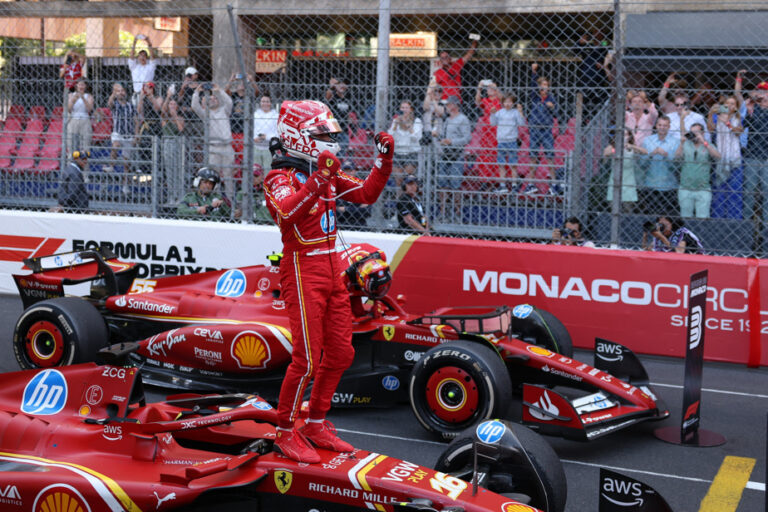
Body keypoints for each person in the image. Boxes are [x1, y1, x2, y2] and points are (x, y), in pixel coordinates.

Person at [262, 100, 394, 463]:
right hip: (302, 270)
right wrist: (320, 178)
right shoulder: (278, 177)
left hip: (333, 269)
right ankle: (285, 431)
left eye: (331, 133)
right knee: (305, 360)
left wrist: (383, 162)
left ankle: (316, 423)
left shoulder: (328, 172)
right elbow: (286, 214)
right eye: (323, 134)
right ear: (298, 137)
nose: (331, 140)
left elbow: (366, 194)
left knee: (340, 353)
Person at [192, 83, 235, 201]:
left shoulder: (224, 111)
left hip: (226, 147)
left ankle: (230, 201)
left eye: (215, 98)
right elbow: (195, 106)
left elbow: (229, 102)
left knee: (228, 176)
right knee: (213, 176)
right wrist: (197, 92)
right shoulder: (206, 114)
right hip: (213, 148)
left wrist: (219, 90)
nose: (213, 99)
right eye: (210, 98)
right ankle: (215, 200)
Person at [736, 72, 768, 222]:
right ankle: (747, 223)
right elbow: (744, 125)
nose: (762, 95)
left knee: (767, 192)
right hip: (751, 155)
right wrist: (751, 107)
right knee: (749, 191)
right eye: (760, 91)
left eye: (765, 92)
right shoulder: (751, 108)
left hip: (767, 157)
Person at [675, 122, 720, 218]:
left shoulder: (708, 144)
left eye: (696, 132)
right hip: (685, 187)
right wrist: (681, 143)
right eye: (692, 132)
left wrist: (704, 142)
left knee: (703, 219)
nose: (693, 135)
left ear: (702, 133)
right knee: (685, 218)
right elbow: (676, 158)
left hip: (703, 188)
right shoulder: (686, 144)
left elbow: (718, 157)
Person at [636, 115, 679, 214]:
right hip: (651, 185)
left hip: (669, 185)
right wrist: (651, 154)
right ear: (656, 126)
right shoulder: (648, 141)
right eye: (660, 125)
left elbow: (677, 166)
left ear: (669, 127)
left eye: (665, 125)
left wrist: (666, 155)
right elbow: (642, 164)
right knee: (651, 214)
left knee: (668, 215)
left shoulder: (675, 142)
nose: (662, 127)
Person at [437, 95, 471, 219]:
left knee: (455, 184)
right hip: (445, 154)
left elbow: (467, 138)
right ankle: (443, 212)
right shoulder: (447, 120)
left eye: (448, 104)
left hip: (456, 154)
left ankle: (457, 213)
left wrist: (451, 141)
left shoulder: (463, 119)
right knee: (442, 183)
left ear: (455, 105)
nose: (446, 107)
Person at [527, 63, 560, 183]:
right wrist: (534, 73)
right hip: (535, 129)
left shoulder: (551, 99)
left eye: (546, 85)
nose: (544, 87)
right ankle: (531, 183)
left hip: (546, 130)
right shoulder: (535, 97)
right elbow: (532, 86)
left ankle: (554, 182)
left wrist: (552, 107)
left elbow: (557, 112)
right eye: (542, 85)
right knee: (533, 156)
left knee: (550, 156)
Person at [489, 93, 526, 192]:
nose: (507, 104)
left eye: (509, 102)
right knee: (501, 164)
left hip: (512, 141)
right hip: (501, 141)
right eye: (505, 101)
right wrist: (492, 113)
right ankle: (503, 185)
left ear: (513, 103)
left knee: (513, 164)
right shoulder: (500, 112)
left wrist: (520, 112)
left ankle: (514, 184)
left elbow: (521, 123)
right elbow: (493, 123)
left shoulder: (515, 112)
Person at [658, 76, 710, 142]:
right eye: (677, 93)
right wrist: (667, 83)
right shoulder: (669, 105)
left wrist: (700, 91)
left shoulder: (694, 114)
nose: (679, 95)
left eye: (682, 93)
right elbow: (661, 97)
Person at [604, 128, 641, 212]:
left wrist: (632, 146)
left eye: (625, 134)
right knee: (613, 209)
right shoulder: (613, 146)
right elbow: (606, 153)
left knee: (628, 209)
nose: (623, 137)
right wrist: (615, 149)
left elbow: (644, 152)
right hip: (615, 181)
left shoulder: (631, 147)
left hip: (628, 182)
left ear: (629, 136)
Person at [433, 35, 479, 102]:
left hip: (456, 99)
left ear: (450, 58)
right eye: (442, 58)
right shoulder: (438, 72)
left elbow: (469, 54)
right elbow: (435, 88)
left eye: (446, 57)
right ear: (440, 60)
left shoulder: (455, 65)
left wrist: (475, 41)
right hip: (445, 100)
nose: (444, 59)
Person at [387, 100, 422, 187]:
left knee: (407, 179)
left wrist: (408, 126)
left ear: (411, 109)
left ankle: (409, 198)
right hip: (397, 152)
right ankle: (400, 199)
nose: (404, 110)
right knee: (398, 180)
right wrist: (395, 126)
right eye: (402, 108)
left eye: (407, 108)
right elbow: (390, 137)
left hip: (410, 152)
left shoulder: (416, 121)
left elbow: (416, 138)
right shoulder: (396, 120)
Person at [106, 83, 138, 172]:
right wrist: (113, 93)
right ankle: (111, 166)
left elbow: (136, 121)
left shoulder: (131, 106)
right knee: (115, 145)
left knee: (126, 162)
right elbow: (109, 103)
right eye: (118, 91)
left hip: (129, 134)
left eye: (122, 91)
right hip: (118, 132)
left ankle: (125, 182)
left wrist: (136, 135)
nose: (121, 93)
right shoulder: (115, 105)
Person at [324, 76, 357, 156]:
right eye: (339, 84)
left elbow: (349, 114)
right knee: (333, 152)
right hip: (334, 129)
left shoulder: (348, 99)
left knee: (343, 151)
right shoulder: (333, 96)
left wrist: (352, 127)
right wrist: (332, 87)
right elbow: (327, 97)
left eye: (344, 84)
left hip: (344, 129)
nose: (342, 86)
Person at [66, 78, 94, 154]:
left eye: (83, 84)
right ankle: (70, 162)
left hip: (85, 119)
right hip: (73, 119)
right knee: (71, 143)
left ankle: (84, 163)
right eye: (79, 84)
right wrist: (74, 100)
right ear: (76, 85)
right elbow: (68, 109)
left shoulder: (89, 96)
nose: (81, 86)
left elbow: (89, 109)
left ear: (85, 86)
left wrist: (83, 98)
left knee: (85, 144)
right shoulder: (71, 95)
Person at [253, 95, 279, 172]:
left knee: (268, 171)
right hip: (256, 147)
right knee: (256, 172)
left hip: (268, 148)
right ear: (260, 103)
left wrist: (267, 137)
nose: (265, 103)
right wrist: (254, 138)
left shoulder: (275, 115)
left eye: (267, 101)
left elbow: (277, 133)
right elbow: (252, 129)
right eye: (263, 101)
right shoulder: (255, 115)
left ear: (270, 103)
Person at [128, 35, 157, 102]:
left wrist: (148, 42)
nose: (142, 57)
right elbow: (131, 57)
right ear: (138, 58)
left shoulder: (150, 67)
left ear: (146, 58)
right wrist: (134, 43)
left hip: (148, 95)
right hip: (137, 94)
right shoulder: (134, 67)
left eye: (144, 56)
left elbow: (152, 57)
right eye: (140, 55)